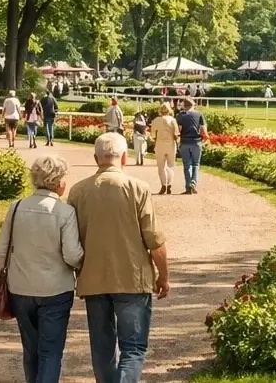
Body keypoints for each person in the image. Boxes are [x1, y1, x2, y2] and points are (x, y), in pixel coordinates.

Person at [68, 133, 169, 383]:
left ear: (96, 158)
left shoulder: (78, 191)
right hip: (132, 278)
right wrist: (164, 276)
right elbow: (154, 240)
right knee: (132, 348)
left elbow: (70, 240)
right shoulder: (138, 188)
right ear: (124, 157)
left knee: (102, 349)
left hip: (92, 278)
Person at [0, 156, 84, 383]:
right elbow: (72, 255)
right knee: (51, 352)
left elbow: (1, 249)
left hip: (20, 288)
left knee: (30, 350)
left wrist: (4, 276)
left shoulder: (16, 208)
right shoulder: (65, 212)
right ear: (59, 181)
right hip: (55, 290)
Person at [174, 98, 207, 194]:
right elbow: (203, 129)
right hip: (196, 142)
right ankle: (193, 182)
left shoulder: (180, 116)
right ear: (193, 105)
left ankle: (188, 186)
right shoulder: (199, 114)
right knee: (196, 164)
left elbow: (178, 129)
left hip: (185, 142)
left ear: (184, 105)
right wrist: (205, 138)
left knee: (187, 165)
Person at [149, 102, 179, 195]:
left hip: (160, 144)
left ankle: (163, 184)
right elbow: (176, 134)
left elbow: (152, 135)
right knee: (170, 166)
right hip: (170, 144)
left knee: (161, 167)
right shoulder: (173, 120)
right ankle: (169, 184)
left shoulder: (156, 120)